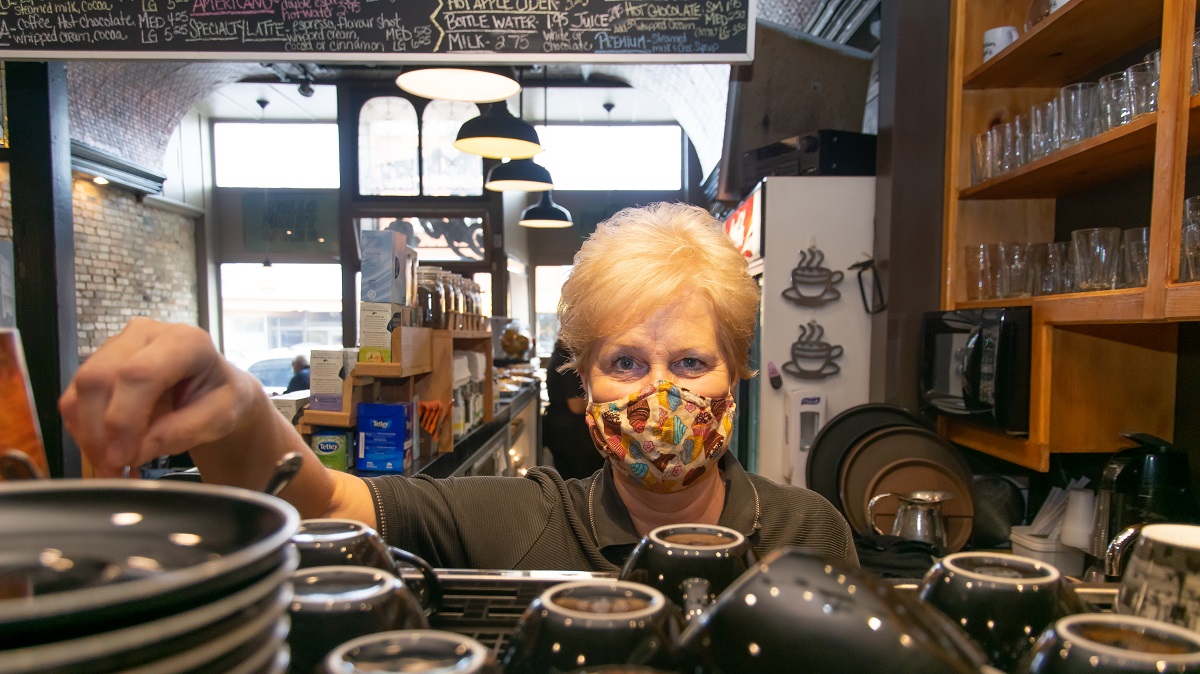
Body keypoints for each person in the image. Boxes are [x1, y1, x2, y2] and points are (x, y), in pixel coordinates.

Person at [60, 203, 858, 572]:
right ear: (581, 387)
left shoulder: (810, 537)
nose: (659, 394)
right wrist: (235, 411)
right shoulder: (518, 524)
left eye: (690, 364)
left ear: (737, 375)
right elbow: (328, 504)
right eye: (625, 364)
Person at [542, 337, 605, 480]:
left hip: (562, 432)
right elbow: (576, 406)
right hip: (571, 436)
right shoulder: (567, 359)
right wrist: (602, 403)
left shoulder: (560, 354)